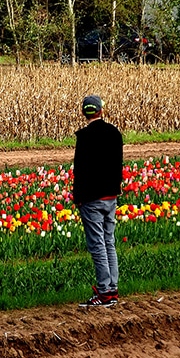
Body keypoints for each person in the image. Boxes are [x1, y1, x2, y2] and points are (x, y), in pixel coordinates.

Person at [73, 95, 123, 308]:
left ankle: (104, 293)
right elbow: (118, 165)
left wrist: (78, 198)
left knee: (97, 245)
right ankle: (112, 289)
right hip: (110, 196)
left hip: (91, 198)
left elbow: (80, 170)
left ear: (85, 112)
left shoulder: (84, 137)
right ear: (102, 110)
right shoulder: (115, 133)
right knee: (109, 242)